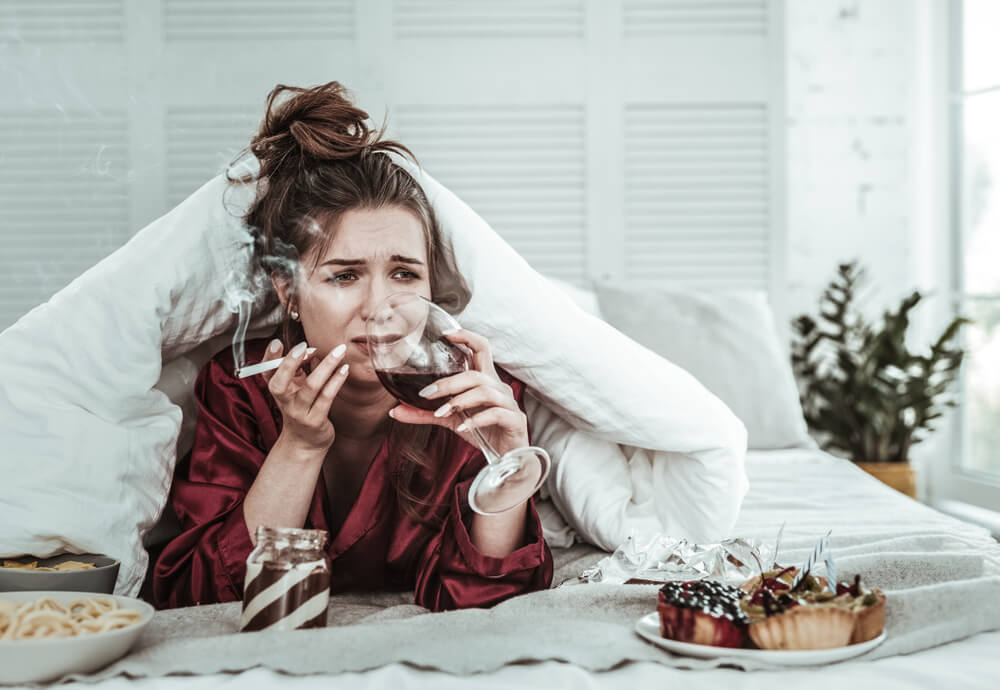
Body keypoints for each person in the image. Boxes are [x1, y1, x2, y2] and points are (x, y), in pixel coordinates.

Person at [152, 81, 553, 611]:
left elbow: (484, 603)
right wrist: (299, 444)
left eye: (405, 274)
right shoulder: (240, 388)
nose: (380, 307)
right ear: (287, 291)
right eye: (344, 276)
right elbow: (201, 597)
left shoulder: (465, 390)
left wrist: (503, 466)